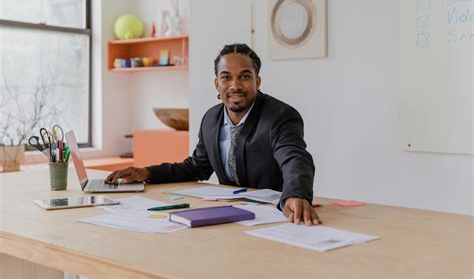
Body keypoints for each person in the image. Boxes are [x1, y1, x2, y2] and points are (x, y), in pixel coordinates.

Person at [105, 44, 321, 226]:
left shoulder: (280, 116)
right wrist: (146, 172)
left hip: (275, 218)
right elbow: (196, 167)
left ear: (257, 81)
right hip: (229, 216)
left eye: (245, 76)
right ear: (217, 83)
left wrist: (297, 194)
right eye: (226, 77)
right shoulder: (211, 119)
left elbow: (295, 158)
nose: (235, 85)